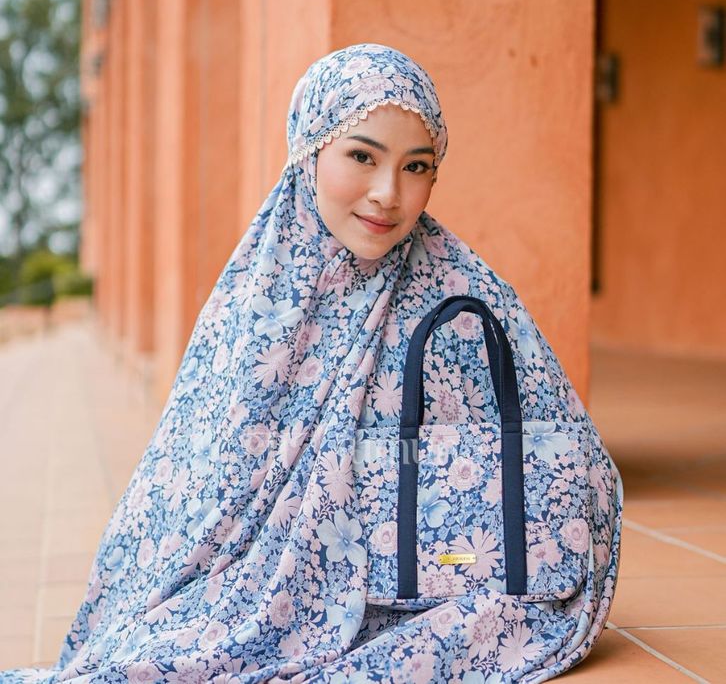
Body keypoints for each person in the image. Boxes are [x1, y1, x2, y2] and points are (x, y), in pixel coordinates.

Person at [2, 43, 622, 683]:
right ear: (309, 149)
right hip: (251, 592)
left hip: (427, 577)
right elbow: (189, 494)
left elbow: (576, 459)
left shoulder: (462, 295)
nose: (388, 194)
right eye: (362, 156)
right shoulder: (257, 296)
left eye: (416, 167)